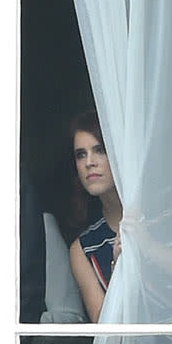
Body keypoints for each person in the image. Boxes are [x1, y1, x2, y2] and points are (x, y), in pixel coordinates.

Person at [67, 111, 123, 323]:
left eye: (100, 150)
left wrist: (149, 248)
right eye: (81, 154)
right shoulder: (84, 248)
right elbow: (103, 329)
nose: (89, 162)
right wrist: (121, 271)